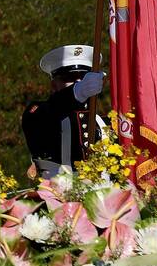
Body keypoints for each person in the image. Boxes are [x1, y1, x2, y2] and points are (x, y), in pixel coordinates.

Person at [22, 44, 106, 178]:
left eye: (84, 76)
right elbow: (52, 110)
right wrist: (77, 92)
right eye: (70, 77)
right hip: (57, 196)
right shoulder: (38, 113)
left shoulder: (104, 122)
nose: (79, 81)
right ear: (54, 84)